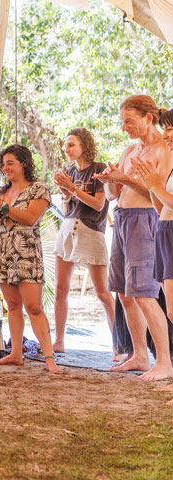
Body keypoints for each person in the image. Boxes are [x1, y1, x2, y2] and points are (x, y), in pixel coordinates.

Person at [93, 95, 173, 381]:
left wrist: (126, 179)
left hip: (147, 220)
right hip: (122, 219)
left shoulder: (164, 150)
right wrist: (112, 178)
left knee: (144, 293)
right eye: (123, 122)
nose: (125, 127)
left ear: (148, 118)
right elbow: (115, 194)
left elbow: (158, 191)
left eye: (129, 121)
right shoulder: (129, 151)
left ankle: (164, 361)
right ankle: (139, 355)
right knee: (125, 293)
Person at [0, 144, 63, 374]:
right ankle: (16, 353)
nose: (5, 167)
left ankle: (50, 358)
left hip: (26, 252)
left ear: (24, 164)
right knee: (13, 305)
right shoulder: (0, 191)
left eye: (11, 163)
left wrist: (4, 208)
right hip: (3, 251)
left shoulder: (38, 189)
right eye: (4, 163)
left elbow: (30, 218)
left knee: (34, 307)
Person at [51, 128, 116, 355]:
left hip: (91, 230)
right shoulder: (70, 172)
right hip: (68, 229)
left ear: (84, 146)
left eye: (71, 145)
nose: (67, 150)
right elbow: (67, 207)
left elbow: (99, 205)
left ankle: (119, 342)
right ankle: (58, 340)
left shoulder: (99, 170)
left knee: (103, 293)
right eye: (66, 146)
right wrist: (64, 191)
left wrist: (72, 189)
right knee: (60, 290)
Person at [136, 107, 173, 398]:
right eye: (165, 129)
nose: (166, 135)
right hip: (165, 230)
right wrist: (152, 188)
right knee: (171, 309)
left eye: (171, 129)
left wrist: (156, 186)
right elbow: (163, 206)